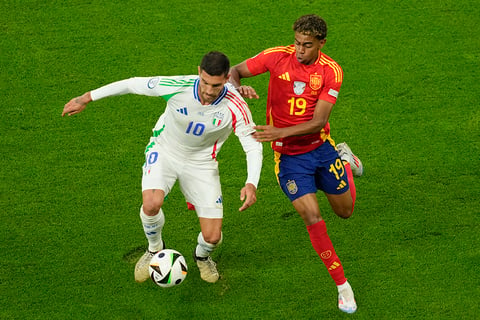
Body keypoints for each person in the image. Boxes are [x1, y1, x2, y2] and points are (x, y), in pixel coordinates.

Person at [62, 51, 263, 284]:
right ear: (199, 72)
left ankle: (202, 257)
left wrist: (251, 182)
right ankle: (154, 249)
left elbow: (252, 145)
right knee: (151, 203)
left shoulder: (236, 105)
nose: (208, 91)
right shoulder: (178, 85)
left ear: (227, 78)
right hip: (165, 150)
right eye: (205, 82)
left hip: (201, 163)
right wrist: (85, 98)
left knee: (212, 237)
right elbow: (131, 84)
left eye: (216, 85)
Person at [229, 14, 362, 313]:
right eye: (297, 43)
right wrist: (239, 88)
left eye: (307, 45)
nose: (300, 50)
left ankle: (343, 157)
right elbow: (235, 71)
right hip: (289, 159)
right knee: (313, 217)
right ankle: (343, 286)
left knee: (345, 212)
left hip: (320, 149)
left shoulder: (331, 71)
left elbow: (319, 122)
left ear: (321, 44)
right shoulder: (277, 57)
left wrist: (279, 132)